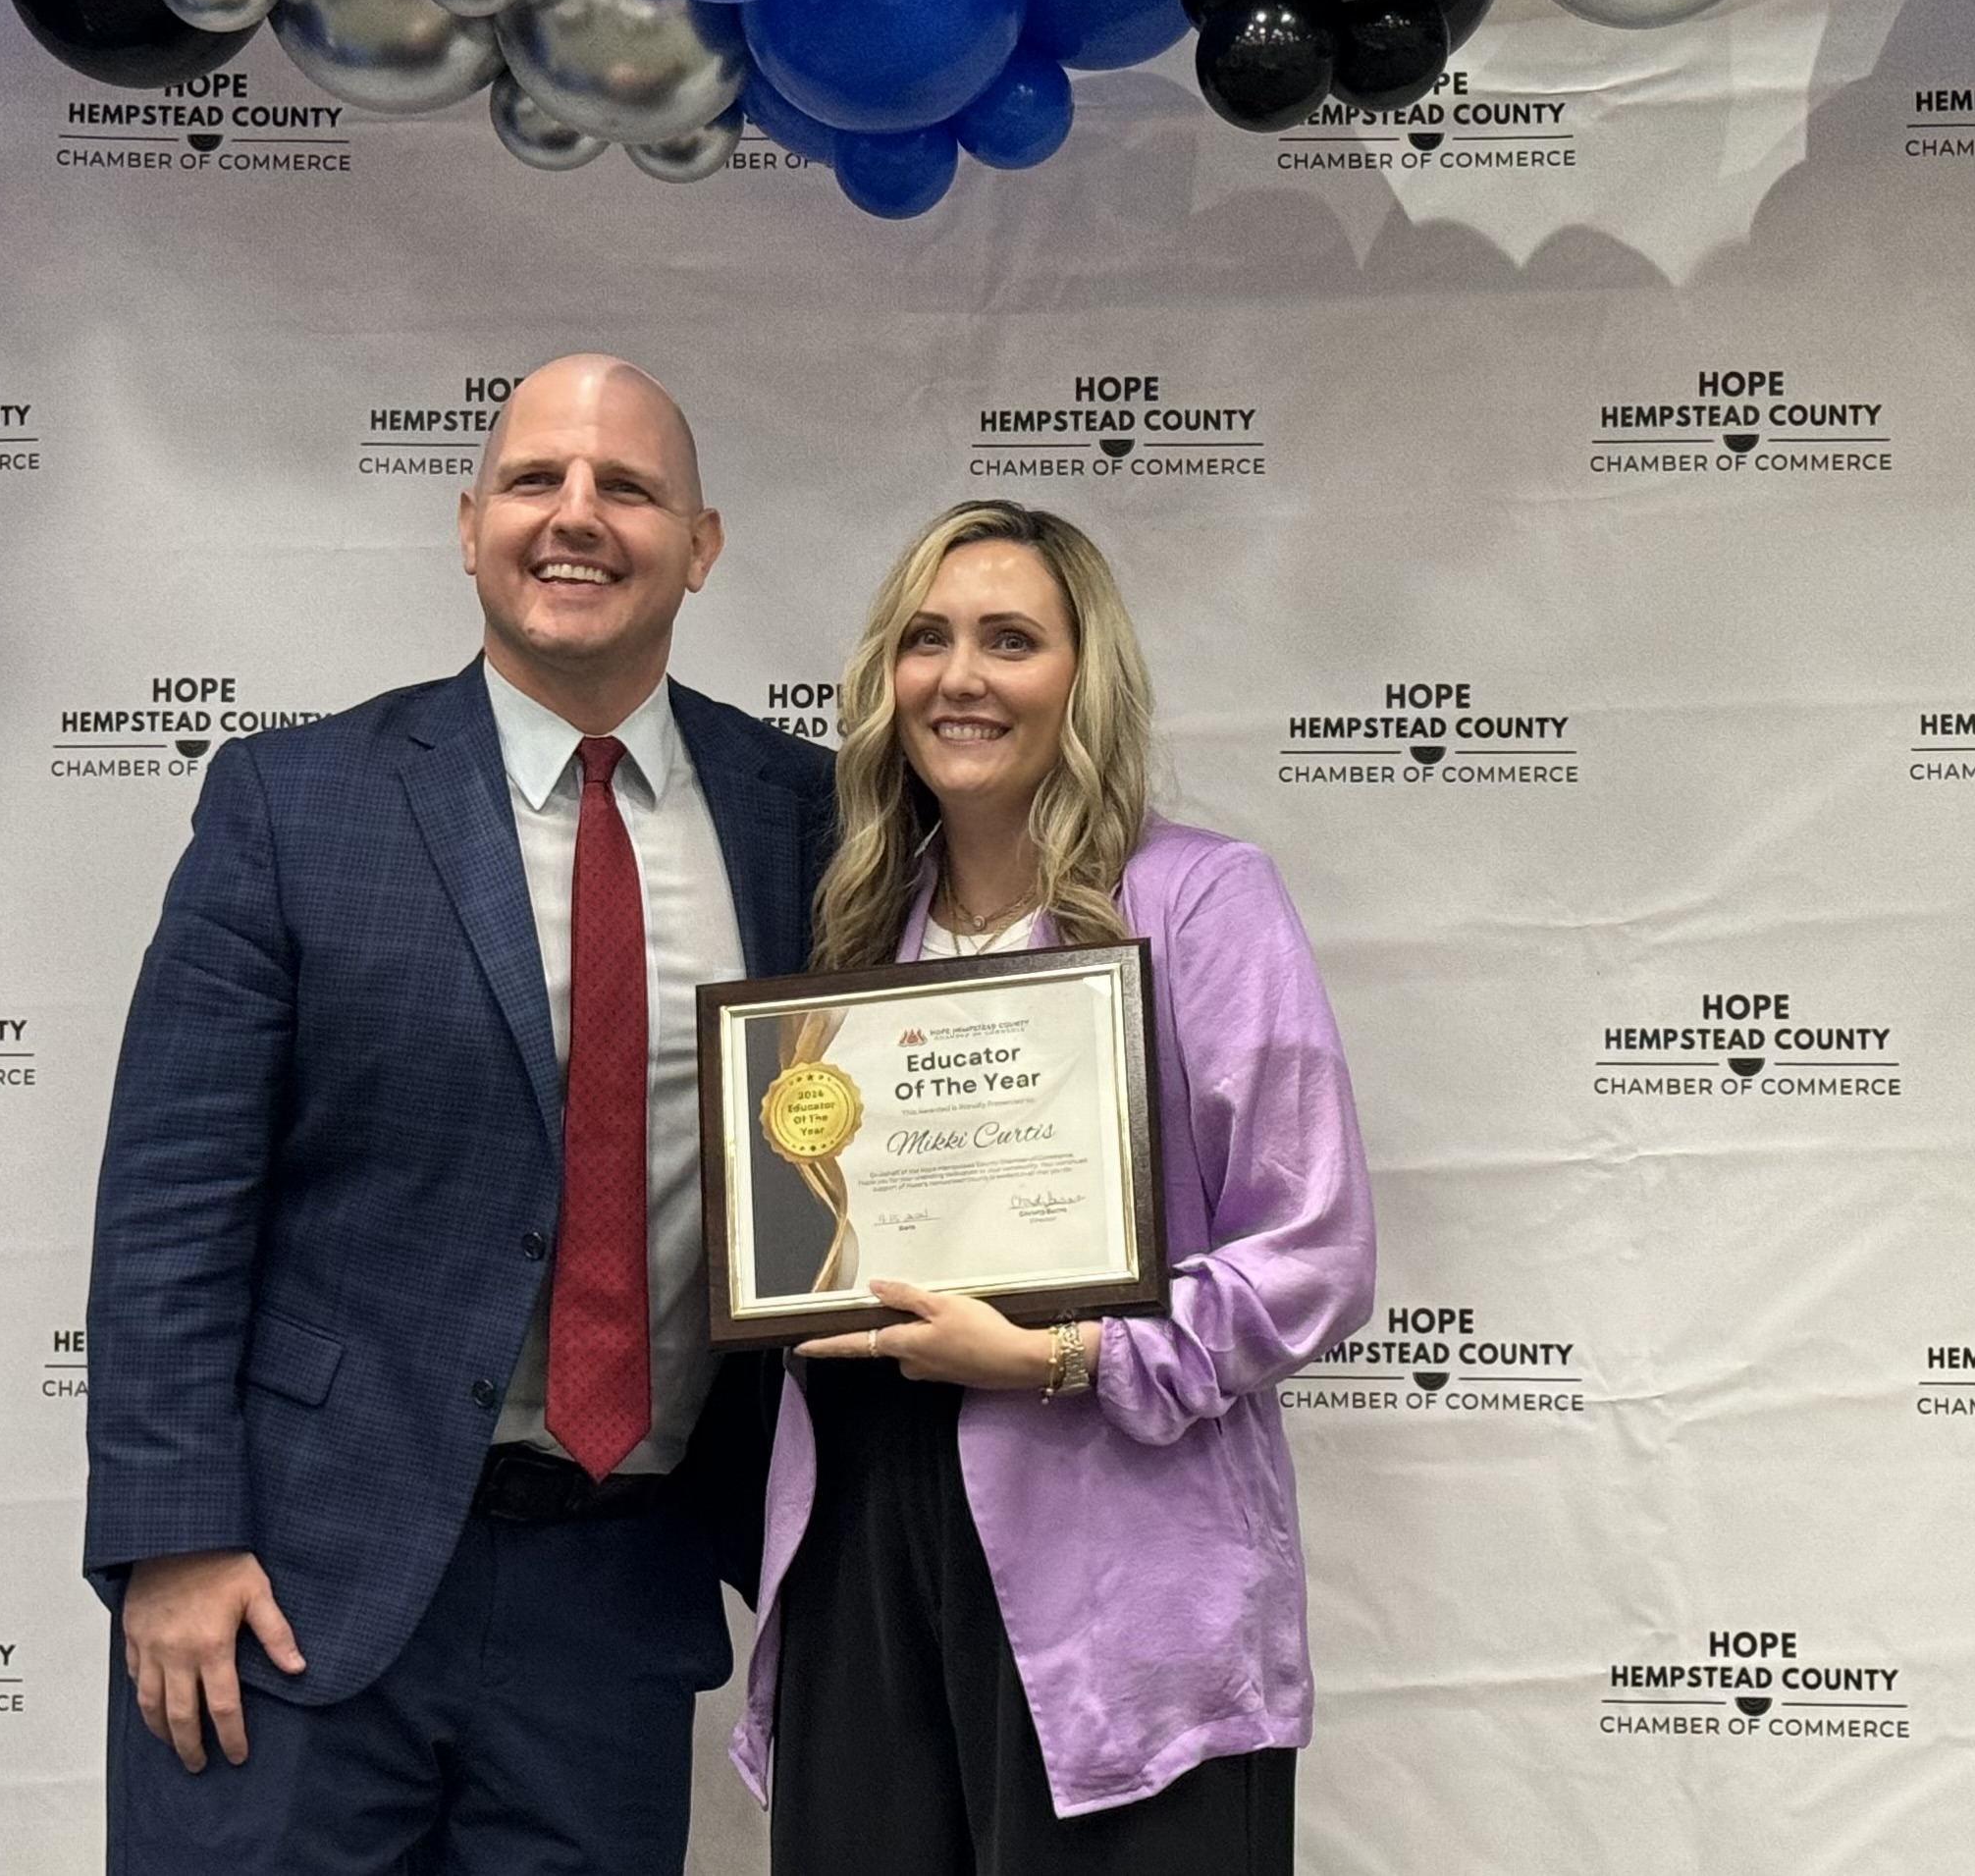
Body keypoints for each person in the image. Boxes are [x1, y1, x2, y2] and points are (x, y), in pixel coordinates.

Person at [84, 354, 836, 1876]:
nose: (577, 518)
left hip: (620, 1590)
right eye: (533, 481)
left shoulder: (805, 815)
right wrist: (171, 1538)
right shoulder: (296, 803)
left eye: (628, 487)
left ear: (700, 544)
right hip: (289, 1583)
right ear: (467, 520)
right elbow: (172, 1196)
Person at [735, 500, 1376, 1876]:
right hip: (864, 1520)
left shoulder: (1203, 901)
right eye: (927, 639)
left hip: (1119, 1556)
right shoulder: (858, 927)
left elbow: (1315, 1251)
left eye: (1010, 640)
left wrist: (1062, 1354)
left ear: (1083, 680)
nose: (960, 676)